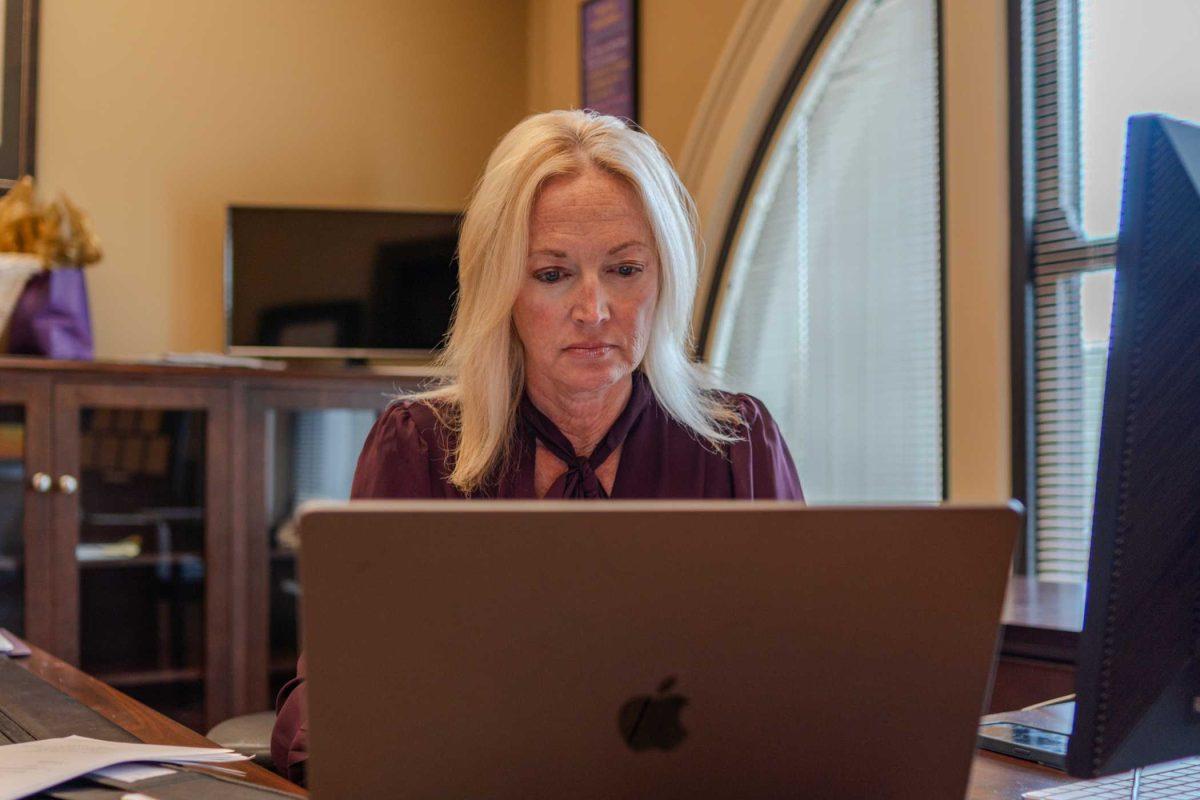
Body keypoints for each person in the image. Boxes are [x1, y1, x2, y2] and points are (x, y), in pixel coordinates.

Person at [270, 109, 803, 783]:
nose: (594, 309)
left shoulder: (737, 443)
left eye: (626, 269)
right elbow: (335, 696)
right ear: (502, 288)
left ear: (664, 276)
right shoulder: (419, 445)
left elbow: (798, 680)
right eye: (553, 274)